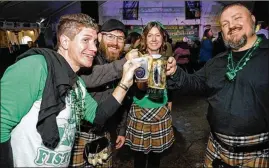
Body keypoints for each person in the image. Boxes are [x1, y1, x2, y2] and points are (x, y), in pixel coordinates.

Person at [0, 13, 140, 168]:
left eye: (94, 42)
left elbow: (99, 115)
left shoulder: (76, 83)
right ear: (65, 41)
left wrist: (126, 81)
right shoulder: (36, 66)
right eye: (85, 40)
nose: (93, 48)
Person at [167, 3, 269, 167]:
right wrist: (174, 72)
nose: (231, 26)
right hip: (216, 148)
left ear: (253, 20)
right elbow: (195, 83)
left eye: (237, 18)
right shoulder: (216, 62)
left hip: (259, 153)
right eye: (225, 24)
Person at [70, 19, 137, 168]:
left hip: (106, 132)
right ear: (99, 37)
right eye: (110, 36)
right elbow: (90, 77)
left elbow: (124, 101)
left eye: (120, 38)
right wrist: (125, 62)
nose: (115, 42)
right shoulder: (89, 58)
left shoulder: (120, 64)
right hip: (81, 134)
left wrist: (121, 130)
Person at [125, 21, 175, 168]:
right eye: (150, 35)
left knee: (155, 157)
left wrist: (170, 104)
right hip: (140, 112)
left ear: (163, 38)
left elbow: (170, 86)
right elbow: (135, 87)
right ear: (144, 38)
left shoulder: (167, 60)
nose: (154, 39)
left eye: (157, 35)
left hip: (161, 112)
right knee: (139, 158)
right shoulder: (137, 58)